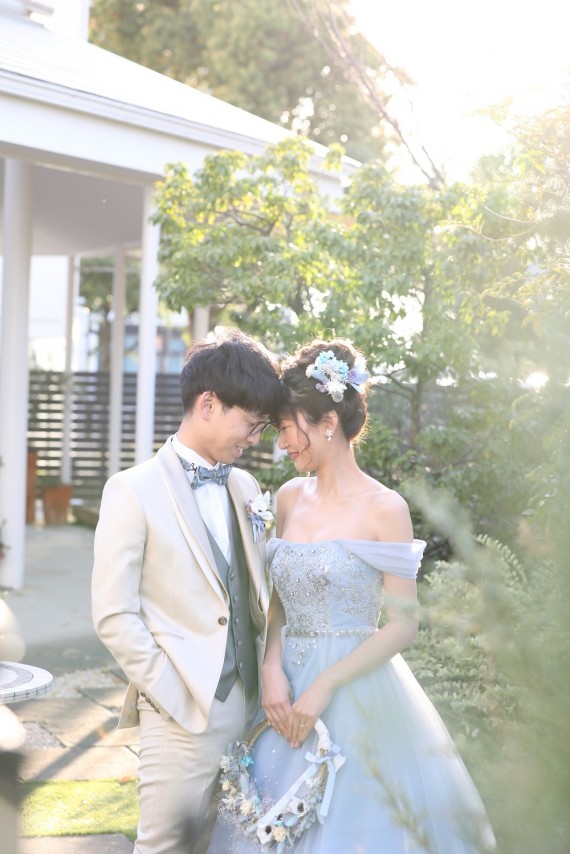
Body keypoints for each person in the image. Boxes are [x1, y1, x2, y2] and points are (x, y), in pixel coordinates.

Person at [207, 338, 495, 853]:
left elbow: (403, 624)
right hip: (284, 690)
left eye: (286, 428)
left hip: (355, 688)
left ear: (327, 422)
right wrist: (271, 668)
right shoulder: (290, 498)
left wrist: (326, 684)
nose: (282, 444)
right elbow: (279, 602)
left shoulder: (386, 508)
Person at [92, 330, 282, 854]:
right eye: (251, 424)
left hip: (251, 711)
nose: (256, 439)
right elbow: (113, 614)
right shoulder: (132, 490)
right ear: (208, 404)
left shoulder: (245, 487)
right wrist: (172, 697)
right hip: (180, 715)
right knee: (165, 846)